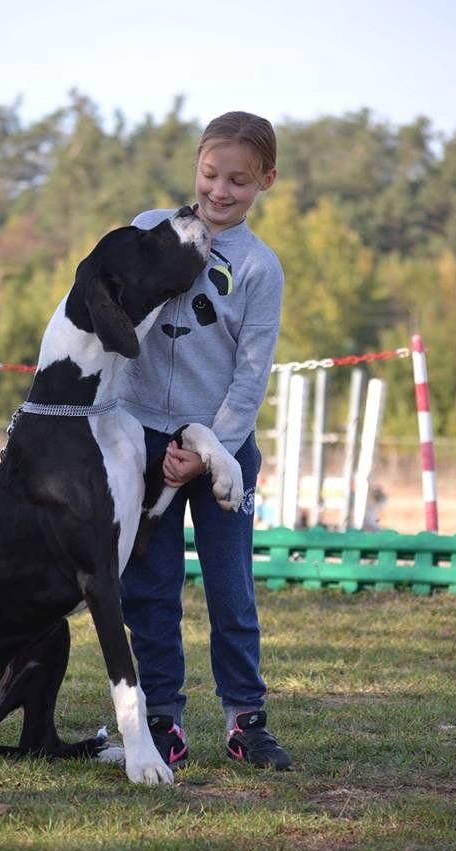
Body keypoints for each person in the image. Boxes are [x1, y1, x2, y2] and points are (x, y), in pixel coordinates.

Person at [119, 111, 291, 771]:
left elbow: (250, 376)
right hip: (143, 441)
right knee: (149, 588)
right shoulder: (148, 229)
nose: (220, 191)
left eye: (239, 181)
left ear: (265, 181)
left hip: (222, 448)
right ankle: (162, 719)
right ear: (197, 163)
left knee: (230, 588)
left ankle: (246, 719)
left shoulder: (260, 269)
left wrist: (210, 449)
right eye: (211, 174)